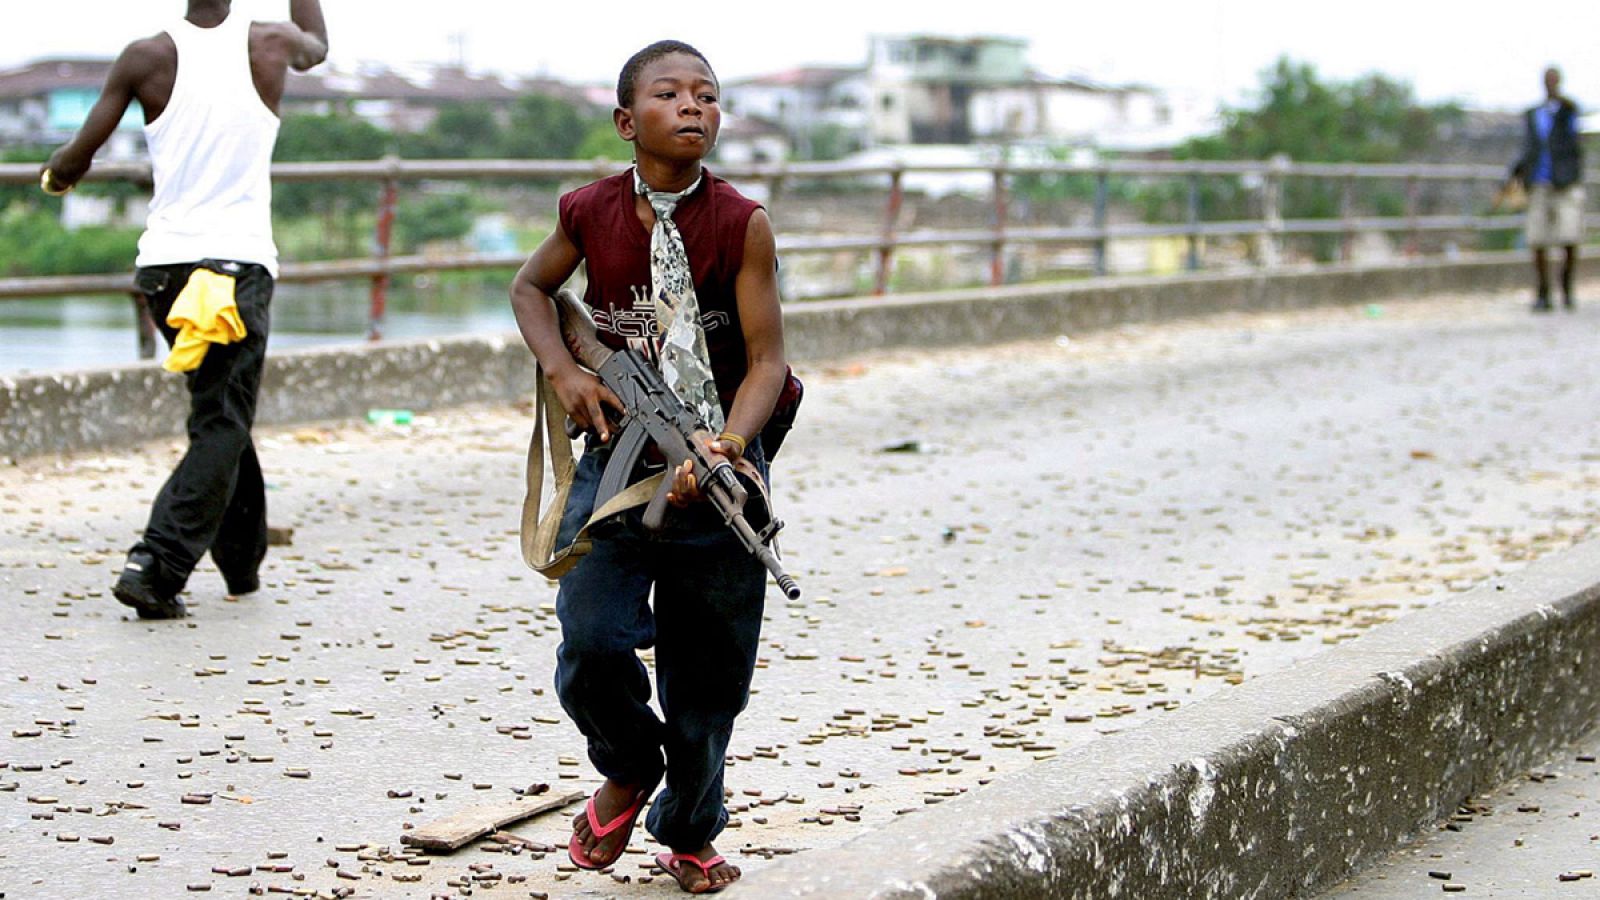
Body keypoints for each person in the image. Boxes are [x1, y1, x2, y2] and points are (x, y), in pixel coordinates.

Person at [508, 39, 789, 895]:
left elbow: (770, 362)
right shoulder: (586, 211)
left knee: (709, 686)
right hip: (618, 463)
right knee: (591, 638)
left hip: (723, 468)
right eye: (671, 95)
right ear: (629, 122)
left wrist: (725, 449)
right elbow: (531, 289)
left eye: (708, 95)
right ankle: (629, 767)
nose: (694, 107)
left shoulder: (741, 222)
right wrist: (564, 368)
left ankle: (689, 828)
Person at [41, 0, 328, 619]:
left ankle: (242, 564)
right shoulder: (273, 44)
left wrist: (55, 179)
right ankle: (157, 563)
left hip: (166, 270)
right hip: (235, 266)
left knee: (222, 407)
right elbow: (318, 45)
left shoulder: (146, 56)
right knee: (222, 417)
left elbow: (75, 157)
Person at [1510, 66, 1585, 312]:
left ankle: (1567, 286)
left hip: (1564, 182)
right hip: (1538, 183)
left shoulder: (1567, 111)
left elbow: (1575, 143)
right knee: (1537, 238)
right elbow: (1528, 148)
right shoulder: (1534, 114)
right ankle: (1543, 291)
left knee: (1569, 236)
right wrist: (1514, 175)